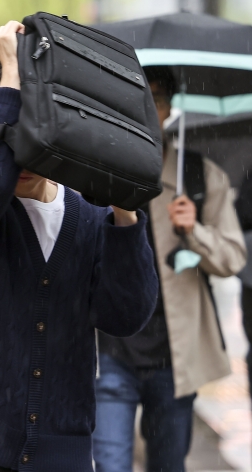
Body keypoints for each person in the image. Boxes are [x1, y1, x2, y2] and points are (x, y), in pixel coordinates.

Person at [0, 21, 158, 471]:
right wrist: (10, 71)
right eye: (9, 135)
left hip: (61, 451)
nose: (22, 154)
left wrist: (125, 210)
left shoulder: (92, 218)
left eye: (33, 134)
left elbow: (126, 316)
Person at [93, 68, 247, 471]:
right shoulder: (98, 172)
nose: (147, 106)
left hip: (173, 356)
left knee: (168, 464)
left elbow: (233, 258)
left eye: (156, 98)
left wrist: (193, 229)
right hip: (108, 350)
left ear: (171, 108)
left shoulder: (197, 176)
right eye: (137, 97)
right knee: (109, 463)